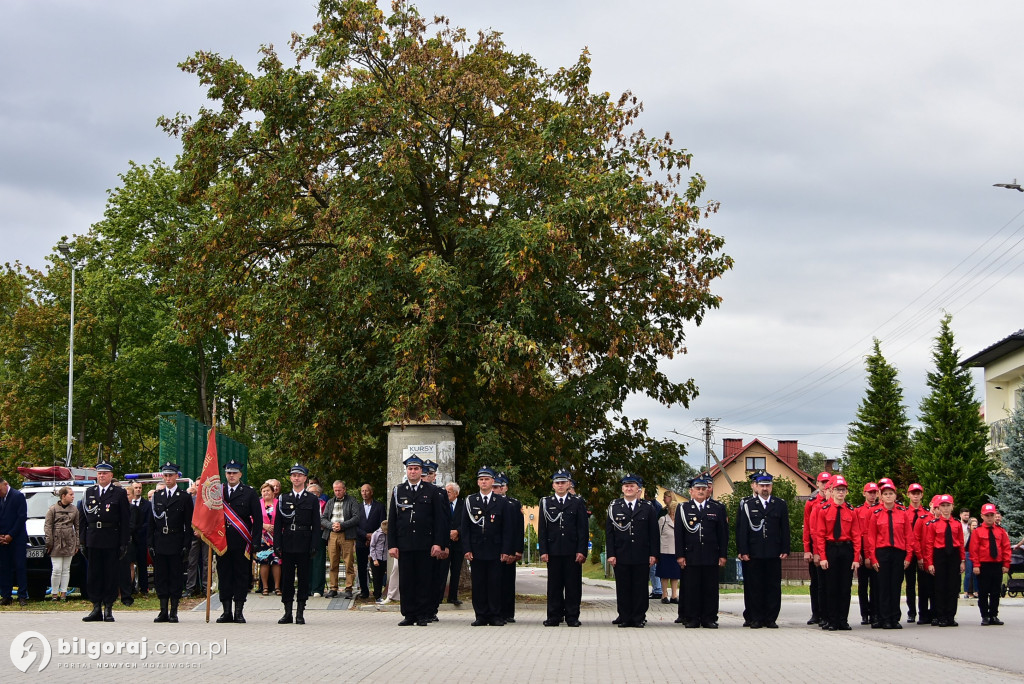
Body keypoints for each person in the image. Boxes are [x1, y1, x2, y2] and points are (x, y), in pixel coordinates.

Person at [388, 455, 448, 626]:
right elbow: (392, 519)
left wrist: (438, 543)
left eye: (416, 469)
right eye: (410, 469)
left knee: (424, 580)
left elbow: (439, 520)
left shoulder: (431, 491)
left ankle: (423, 614)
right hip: (405, 543)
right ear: (406, 471)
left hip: (425, 544)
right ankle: (409, 614)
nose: (412, 471)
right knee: (406, 581)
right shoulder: (398, 490)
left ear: (421, 471)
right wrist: (392, 544)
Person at [736, 470, 790, 629]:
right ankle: (756, 617)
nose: (765, 488)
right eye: (762, 485)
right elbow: (742, 530)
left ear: (771, 487)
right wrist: (743, 550)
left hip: (773, 552)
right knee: (755, 586)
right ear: (756, 486)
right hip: (754, 552)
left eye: (768, 485)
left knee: (773, 586)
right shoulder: (747, 505)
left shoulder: (780, 504)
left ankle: (771, 617)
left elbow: (784, 529)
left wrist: (785, 548)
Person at [462, 466, 514, 626]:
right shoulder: (470, 501)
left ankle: (495, 615)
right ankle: (481, 615)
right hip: (477, 549)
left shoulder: (501, 502)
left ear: (493, 481)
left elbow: (507, 528)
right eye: (481, 479)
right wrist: (467, 549)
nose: (484, 482)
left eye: (487, 479)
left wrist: (506, 550)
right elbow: (465, 528)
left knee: (495, 583)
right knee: (478, 584)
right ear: (478, 482)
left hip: (496, 549)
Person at [676, 475, 729, 628]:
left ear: (708, 491)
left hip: (711, 554)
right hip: (690, 554)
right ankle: (692, 618)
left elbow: (723, 534)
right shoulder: (683, 508)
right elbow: (679, 534)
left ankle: (709, 618)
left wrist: (722, 555)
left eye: (703, 489)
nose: (700, 491)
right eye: (697, 489)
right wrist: (680, 555)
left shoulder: (717, 508)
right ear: (691, 491)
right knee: (692, 588)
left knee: (710, 588)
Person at [606, 474, 659, 628]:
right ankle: (624, 616)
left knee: (640, 587)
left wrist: (653, 554)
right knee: (623, 587)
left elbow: (653, 533)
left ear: (638, 489)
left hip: (641, 554)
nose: (629, 488)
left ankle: (638, 617)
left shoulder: (647, 507)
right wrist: (611, 554)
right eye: (626, 486)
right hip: (621, 554)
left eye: (632, 486)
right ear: (622, 488)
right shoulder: (614, 507)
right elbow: (610, 534)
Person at [80, 460, 130, 621]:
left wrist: (123, 543)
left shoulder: (119, 493)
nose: (101, 476)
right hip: (93, 538)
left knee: (110, 574)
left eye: (104, 473)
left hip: (111, 538)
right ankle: (96, 607)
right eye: (99, 473)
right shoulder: (89, 492)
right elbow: (83, 519)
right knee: (94, 574)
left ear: (111, 475)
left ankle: (108, 607)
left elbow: (125, 519)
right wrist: (82, 541)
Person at [863, 478, 916, 629]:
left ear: (895, 496)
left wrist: (908, 556)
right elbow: (871, 538)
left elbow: (909, 537)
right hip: (882, 553)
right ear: (881, 496)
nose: (888, 496)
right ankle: (884, 618)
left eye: (890, 493)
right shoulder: (876, 514)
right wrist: (872, 557)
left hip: (898, 553)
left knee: (896, 586)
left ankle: (895, 618)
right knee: (883, 587)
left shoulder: (903, 513)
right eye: (885, 493)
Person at [539, 470, 588, 627]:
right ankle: (554, 615)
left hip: (572, 550)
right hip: (553, 550)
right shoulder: (546, 502)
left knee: (573, 585)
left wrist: (582, 550)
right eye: (557, 483)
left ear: (569, 484)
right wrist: (543, 550)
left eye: (563, 482)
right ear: (553, 485)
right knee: (554, 586)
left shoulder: (577, 502)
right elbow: (542, 529)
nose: (560, 485)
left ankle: (572, 616)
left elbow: (582, 529)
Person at [216, 460, 262, 623]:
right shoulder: (218, 492)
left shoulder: (249, 492)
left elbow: (258, 520)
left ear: (240, 474)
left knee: (241, 576)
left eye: (234, 473)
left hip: (242, 542)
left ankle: (239, 612)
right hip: (222, 542)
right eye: (229, 472)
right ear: (225, 474)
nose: (231, 475)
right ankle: (226, 611)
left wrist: (256, 542)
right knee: (224, 576)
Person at [812, 475, 860, 631]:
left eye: (843, 490)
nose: (841, 492)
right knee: (831, 587)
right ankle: (832, 620)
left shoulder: (851, 511)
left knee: (845, 588)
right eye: (838, 489)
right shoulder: (824, 510)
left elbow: (856, 535)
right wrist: (823, 557)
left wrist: (855, 557)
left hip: (846, 549)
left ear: (846, 492)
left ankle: (843, 620)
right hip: (831, 548)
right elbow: (819, 535)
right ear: (831, 491)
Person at [275, 463, 321, 624]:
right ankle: (287, 612)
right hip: (287, 541)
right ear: (290, 478)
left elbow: (316, 524)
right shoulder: (284, 498)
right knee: (286, 579)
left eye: (299, 475)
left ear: (305, 478)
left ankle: (300, 612)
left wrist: (315, 544)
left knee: (303, 579)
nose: (296, 478)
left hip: (304, 541)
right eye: (294, 475)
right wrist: (277, 544)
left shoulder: (312, 499)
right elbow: (278, 524)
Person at [150, 462, 194, 623]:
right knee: (161, 577)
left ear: (177, 476)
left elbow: (189, 523)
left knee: (175, 577)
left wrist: (186, 544)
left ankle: (174, 611)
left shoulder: (184, 497)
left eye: (170, 475)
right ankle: (163, 611)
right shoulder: (157, 496)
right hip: (160, 541)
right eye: (165, 475)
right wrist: (151, 544)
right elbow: (152, 523)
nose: (168, 478)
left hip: (176, 540)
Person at [922, 494, 965, 627]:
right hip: (939, 555)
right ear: (938, 508)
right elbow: (929, 544)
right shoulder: (933, 524)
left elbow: (961, 543)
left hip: (954, 555)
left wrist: (962, 560)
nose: (945, 509)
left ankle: (950, 616)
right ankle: (940, 616)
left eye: (948, 506)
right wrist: (929, 563)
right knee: (939, 587)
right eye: (943, 506)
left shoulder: (957, 524)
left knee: (953, 587)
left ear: (953, 507)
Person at [970, 503, 1010, 626]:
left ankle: (993, 615)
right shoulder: (977, 532)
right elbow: (974, 549)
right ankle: (985, 615)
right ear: (982, 516)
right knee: (983, 591)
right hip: (983, 565)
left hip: (997, 564)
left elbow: (1006, 548)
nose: (989, 518)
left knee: (995, 591)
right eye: (987, 515)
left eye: (991, 515)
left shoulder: (1001, 531)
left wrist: (1006, 563)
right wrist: (976, 565)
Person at [802, 471, 832, 625]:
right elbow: (807, 527)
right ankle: (816, 613)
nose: (826, 485)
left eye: (828, 482)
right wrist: (808, 549)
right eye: (823, 482)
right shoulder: (812, 502)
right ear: (818, 484)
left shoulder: (835, 502)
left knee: (828, 583)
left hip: (830, 548)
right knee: (816, 583)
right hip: (815, 548)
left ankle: (828, 613)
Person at [494, 472, 524, 623]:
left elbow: (518, 528)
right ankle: (496, 611)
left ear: (505, 488)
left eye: (500, 486)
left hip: (509, 547)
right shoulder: (490, 502)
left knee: (507, 581)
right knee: (495, 582)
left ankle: (508, 612)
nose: (497, 489)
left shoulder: (513, 504)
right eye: (495, 486)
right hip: (494, 548)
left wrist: (518, 550)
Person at [321, 480, 359, 599]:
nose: (337, 492)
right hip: (332, 534)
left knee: (348, 562)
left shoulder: (352, 501)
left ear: (344, 489)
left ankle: (348, 588)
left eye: (339, 490)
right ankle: (333, 588)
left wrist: (342, 525)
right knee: (333, 562)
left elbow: (356, 517)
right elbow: (323, 518)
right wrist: (331, 525)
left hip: (347, 534)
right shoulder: (330, 502)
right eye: (335, 490)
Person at [44, 486, 79, 601]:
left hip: (69, 540)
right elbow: (48, 526)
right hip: (56, 542)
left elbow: (77, 527)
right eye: (71, 494)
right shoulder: (52, 509)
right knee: (57, 569)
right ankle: (54, 593)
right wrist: (49, 543)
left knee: (66, 569)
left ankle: (63, 593)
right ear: (63, 496)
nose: (73, 497)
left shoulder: (74, 510)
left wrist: (77, 543)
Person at [0, 475, 29, 606]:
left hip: (17, 539)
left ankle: (22, 596)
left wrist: (11, 535)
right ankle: (6, 595)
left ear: (5, 485)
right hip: (2, 539)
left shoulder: (18, 496)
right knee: (4, 568)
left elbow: (21, 517)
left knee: (19, 567)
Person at [904, 483, 931, 624]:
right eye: (913, 493)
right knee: (909, 584)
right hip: (908, 552)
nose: (915, 496)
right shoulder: (903, 513)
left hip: (922, 553)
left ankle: (923, 612)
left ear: (922, 495)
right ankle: (911, 612)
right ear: (908, 495)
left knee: (923, 584)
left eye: (918, 493)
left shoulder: (926, 514)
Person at [355, 483, 386, 600]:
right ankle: (364, 591)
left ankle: (378, 593)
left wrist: (373, 537)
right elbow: (355, 525)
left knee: (377, 567)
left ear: (371, 492)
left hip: (377, 541)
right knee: (362, 567)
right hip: (361, 540)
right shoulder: (357, 507)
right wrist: (365, 535)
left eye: (366, 491)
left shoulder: (379, 506)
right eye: (362, 491)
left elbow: (382, 524)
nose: (364, 493)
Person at [855, 482, 880, 625]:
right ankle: (864, 613)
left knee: (876, 584)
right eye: (869, 492)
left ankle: (875, 613)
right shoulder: (858, 511)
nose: (872, 495)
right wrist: (858, 553)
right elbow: (856, 533)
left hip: (876, 551)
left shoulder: (879, 510)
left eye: (874, 492)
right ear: (864, 493)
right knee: (863, 585)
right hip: (862, 550)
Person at [441, 482, 465, 606]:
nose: (446, 494)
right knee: (442, 570)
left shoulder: (463, 504)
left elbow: (466, 521)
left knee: (455, 571)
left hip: (458, 543)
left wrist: (458, 532)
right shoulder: (442, 504)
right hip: (445, 543)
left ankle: (453, 597)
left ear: (456, 493)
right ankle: (439, 596)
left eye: (449, 492)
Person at [257, 482, 282, 596]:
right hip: (263, 537)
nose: (266, 493)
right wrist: (264, 525)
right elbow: (252, 518)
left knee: (277, 561)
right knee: (264, 562)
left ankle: (277, 587)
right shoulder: (258, 503)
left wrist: (276, 527)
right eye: (264, 491)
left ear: (273, 493)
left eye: (268, 491)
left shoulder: (279, 503)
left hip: (277, 536)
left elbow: (284, 517)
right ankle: (265, 587)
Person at [657, 498, 681, 606]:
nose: (675, 511)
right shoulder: (663, 520)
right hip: (665, 551)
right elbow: (657, 535)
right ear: (670, 510)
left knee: (675, 575)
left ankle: (674, 595)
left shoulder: (680, 521)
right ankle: (664, 594)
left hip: (676, 551)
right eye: (674, 509)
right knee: (665, 574)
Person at [130, 481, 151, 595]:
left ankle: (144, 589)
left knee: (142, 564)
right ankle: (131, 587)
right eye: (136, 488)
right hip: (130, 540)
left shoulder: (147, 504)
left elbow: (148, 522)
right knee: (130, 564)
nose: (138, 489)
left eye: (140, 488)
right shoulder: (127, 504)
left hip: (141, 538)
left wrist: (137, 530)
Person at [307, 483, 327, 598]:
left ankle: (317, 589)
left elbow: (326, 518)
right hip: (305, 533)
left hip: (319, 533)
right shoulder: (303, 502)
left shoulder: (323, 504)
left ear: (319, 494)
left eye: (314, 493)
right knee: (306, 560)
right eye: (310, 493)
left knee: (318, 561)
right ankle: (307, 587)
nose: (312, 495)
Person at [369, 520, 389, 601]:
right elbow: (372, 547)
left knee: (381, 577)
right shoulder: (376, 534)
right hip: (376, 558)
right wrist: (374, 559)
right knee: (376, 578)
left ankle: (379, 593)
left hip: (384, 558)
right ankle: (377, 596)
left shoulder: (387, 535)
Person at [964, 517, 979, 598]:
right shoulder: (967, 534)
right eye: (973, 525)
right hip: (968, 554)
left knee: (976, 573)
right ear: (969, 526)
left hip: (976, 554)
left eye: (976, 525)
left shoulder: (978, 533)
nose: (975, 527)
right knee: (968, 573)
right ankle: (966, 592)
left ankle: (976, 591)